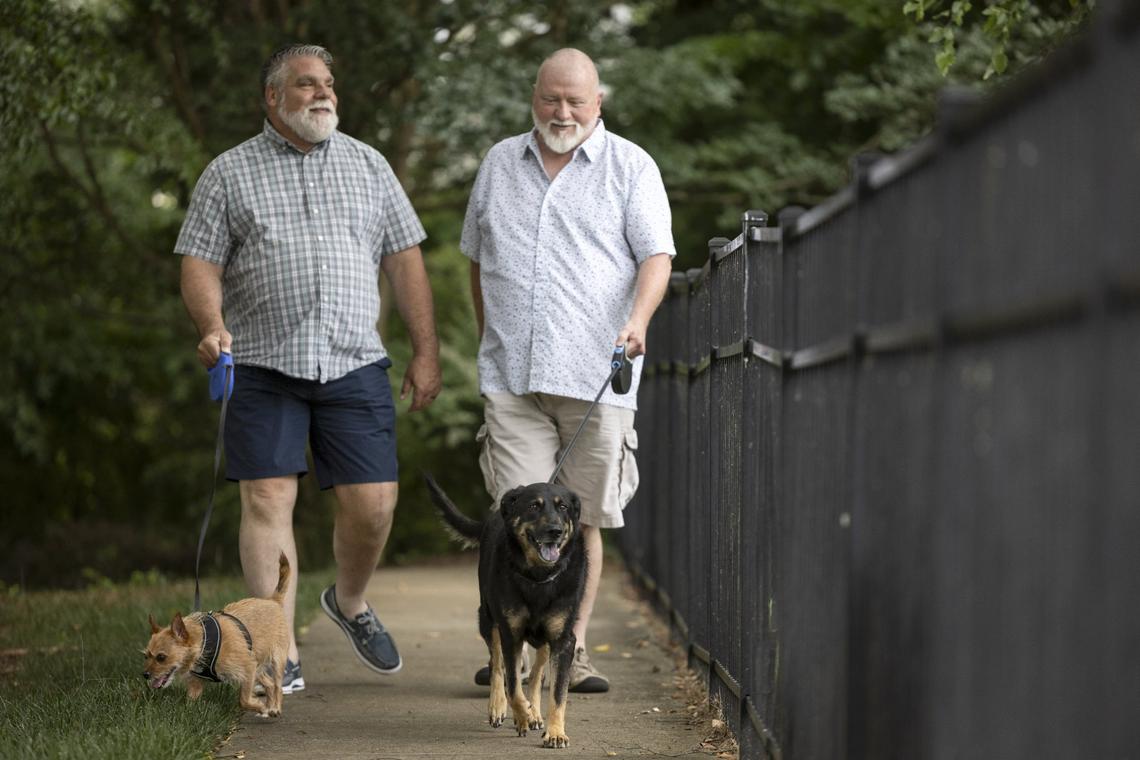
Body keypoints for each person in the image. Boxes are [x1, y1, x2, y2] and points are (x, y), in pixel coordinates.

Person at [175, 43, 441, 695]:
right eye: (305, 84)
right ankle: (278, 650)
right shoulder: (229, 173)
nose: (323, 94)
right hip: (263, 361)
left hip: (354, 361)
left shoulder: (370, 166)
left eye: (329, 84)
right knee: (268, 498)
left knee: (374, 506)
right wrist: (212, 327)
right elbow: (199, 263)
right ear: (272, 98)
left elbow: (404, 261)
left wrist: (425, 349)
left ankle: (348, 602)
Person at [460, 48, 675, 693]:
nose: (562, 112)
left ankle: (569, 650)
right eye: (551, 98)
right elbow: (476, 258)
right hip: (512, 379)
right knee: (513, 519)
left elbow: (657, 257)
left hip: (595, 377)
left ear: (597, 102)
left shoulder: (630, 166)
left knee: (579, 524)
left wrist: (637, 321)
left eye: (575, 101)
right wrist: (487, 332)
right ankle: (510, 651)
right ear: (534, 96)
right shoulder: (500, 163)